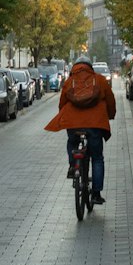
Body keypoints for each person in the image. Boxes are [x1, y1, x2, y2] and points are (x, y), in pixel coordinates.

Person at [44, 54, 117, 204]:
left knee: (72, 142)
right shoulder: (100, 80)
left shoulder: (70, 81)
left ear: (75, 67)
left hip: (73, 124)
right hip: (95, 124)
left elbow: (62, 103)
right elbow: (110, 101)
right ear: (90, 67)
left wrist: (63, 118)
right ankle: (96, 194)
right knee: (97, 158)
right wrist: (110, 115)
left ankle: (73, 165)